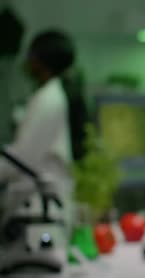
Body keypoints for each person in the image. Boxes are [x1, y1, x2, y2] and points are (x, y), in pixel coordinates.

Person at [0, 30, 86, 220]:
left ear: (40, 60)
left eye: (31, 55)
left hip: (40, 204)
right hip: (40, 203)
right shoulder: (49, 95)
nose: (28, 62)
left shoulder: (48, 99)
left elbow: (23, 157)